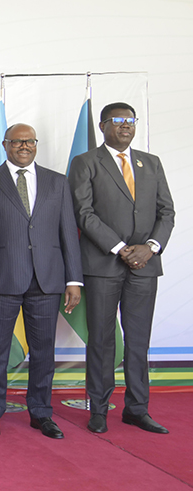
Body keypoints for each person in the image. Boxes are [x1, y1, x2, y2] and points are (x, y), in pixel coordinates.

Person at [0, 123, 82, 439]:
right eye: (17, 141)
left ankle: (41, 413)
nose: (24, 146)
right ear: (5, 145)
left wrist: (74, 279)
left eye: (29, 141)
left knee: (44, 351)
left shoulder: (57, 183)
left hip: (47, 281)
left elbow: (68, 233)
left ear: (36, 144)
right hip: (2, 280)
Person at [68, 102, 174, 435]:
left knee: (138, 341)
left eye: (130, 120)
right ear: (103, 126)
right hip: (103, 264)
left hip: (145, 265)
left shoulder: (151, 163)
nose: (125, 126)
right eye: (118, 120)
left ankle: (136, 409)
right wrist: (120, 248)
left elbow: (166, 212)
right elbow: (83, 212)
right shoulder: (86, 162)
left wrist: (150, 247)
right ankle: (98, 409)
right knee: (101, 340)